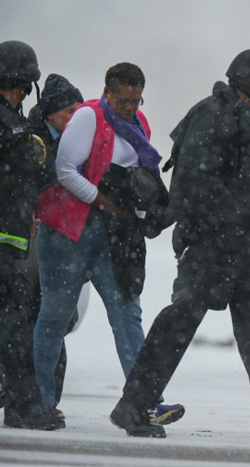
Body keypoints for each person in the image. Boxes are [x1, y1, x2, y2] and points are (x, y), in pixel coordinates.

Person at [110, 49, 250, 444]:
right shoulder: (213, 116)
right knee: (180, 321)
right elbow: (198, 185)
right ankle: (133, 404)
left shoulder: (248, 121)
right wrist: (236, 225)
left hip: (247, 247)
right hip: (214, 246)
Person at [32, 62, 183, 426]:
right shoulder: (87, 117)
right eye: (124, 101)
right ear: (108, 91)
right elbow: (65, 171)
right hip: (70, 233)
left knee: (127, 316)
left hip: (115, 237)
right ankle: (38, 400)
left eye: (137, 100)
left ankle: (144, 401)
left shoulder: (139, 125)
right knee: (54, 316)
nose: (131, 108)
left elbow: (140, 175)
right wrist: (102, 201)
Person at [0, 39, 63, 430]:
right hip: (4, 243)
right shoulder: (9, 125)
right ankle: (23, 407)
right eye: (25, 87)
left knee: (16, 322)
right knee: (15, 325)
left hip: (10, 241)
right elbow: (38, 167)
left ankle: (22, 406)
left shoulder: (14, 123)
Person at [23, 73, 83, 419]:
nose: (75, 118)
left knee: (55, 321)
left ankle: (47, 401)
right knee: (40, 319)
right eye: (68, 111)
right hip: (31, 246)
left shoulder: (76, 142)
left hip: (62, 242)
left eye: (79, 109)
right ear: (49, 114)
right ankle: (37, 400)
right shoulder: (33, 142)